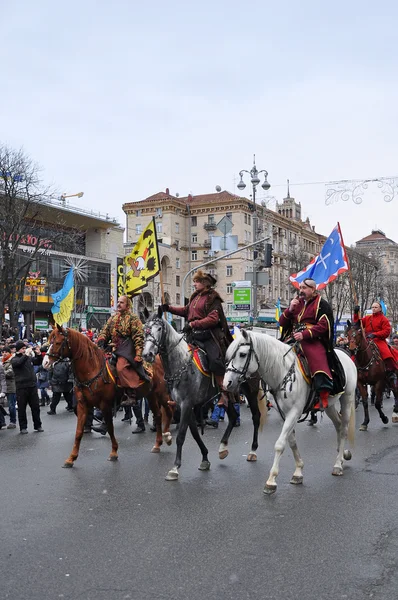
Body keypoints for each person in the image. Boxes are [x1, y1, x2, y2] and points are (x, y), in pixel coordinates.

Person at [161, 269, 233, 408]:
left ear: (205, 283)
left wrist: (193, 324)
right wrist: (168, 308)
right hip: (193, 336)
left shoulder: (213, 298)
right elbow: (185, 311)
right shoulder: (195, 297)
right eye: (194, 281)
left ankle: (224, 393)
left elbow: (213, 319)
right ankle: (179, 394)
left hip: (209, 336)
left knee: (215, 361)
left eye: (197, 282)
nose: (194, 284)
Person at [279, 278, 343, 410]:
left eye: (304, 288)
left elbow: (323, 325)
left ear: (313, 289)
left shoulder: (322, 304)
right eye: (300, 288)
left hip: (312, 339)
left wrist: (305, 334)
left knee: (316, 357)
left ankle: (323, 394)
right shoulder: (297, 303)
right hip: (293, 337)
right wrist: (289, 309)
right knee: (277, 354)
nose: (301, 290)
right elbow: (282, 323)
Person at [96, 295, 149, 407]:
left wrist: (138, 354)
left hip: (127, 349)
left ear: (127, 305)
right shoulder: (113, 318)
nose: (119, 304)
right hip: (113, 348)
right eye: (118, 302)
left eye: (121, 302)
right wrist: (101, 339)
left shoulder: (133, 318)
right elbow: (105, 331)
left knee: (121, 367)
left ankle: (131, 394)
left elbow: (138, 337)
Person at [354, 302, 397, 386]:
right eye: (372, 307)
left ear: (380, 308)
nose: (373, 309)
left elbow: (386, 331)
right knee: (357, 351)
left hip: (378, 340)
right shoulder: (367, 318)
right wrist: (356, 313)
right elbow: (357, 323)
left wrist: (375, 334)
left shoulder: (384, 319)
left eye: (376, 307)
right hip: (367, 339)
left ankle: (390, 371)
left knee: (386, 353)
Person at [11, 340, 43, 434]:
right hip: (21, 387)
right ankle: (23, 427)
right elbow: (19, 363)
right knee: (22, 408)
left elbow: (37, 362)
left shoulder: (28, 358)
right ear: (18, 350)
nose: (25, 350)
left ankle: (38, 425)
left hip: (32, 386)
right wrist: (26, 355)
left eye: (25, 348)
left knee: (35, 407)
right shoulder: (14, 359)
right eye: (23, 348)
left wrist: (38, 354)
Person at [2, 347, 17, 428]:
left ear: (9, 352)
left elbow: (10, 373)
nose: (4, 353)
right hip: (3, 387)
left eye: (6, 352)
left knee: (11, 405)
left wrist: (1, 372)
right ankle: (2, 421)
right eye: (3, 352)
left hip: (11, 386)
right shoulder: (2, 362)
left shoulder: (12, 361)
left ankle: (13, 421)